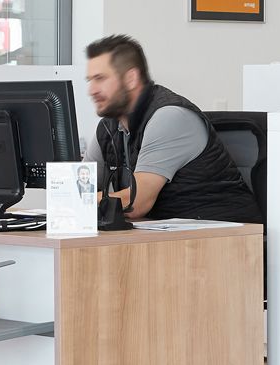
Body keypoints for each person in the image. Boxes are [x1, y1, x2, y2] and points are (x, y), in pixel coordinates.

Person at [83, 34, 262, 223]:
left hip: (223, 231)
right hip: (168, 231)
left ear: (130, 78)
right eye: (90, 80)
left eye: (100, 78)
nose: (91, 90)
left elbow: (136, 203)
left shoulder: (169, 117)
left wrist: (77, 202)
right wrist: (70, 196)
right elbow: (77, 185)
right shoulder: (109, 128)